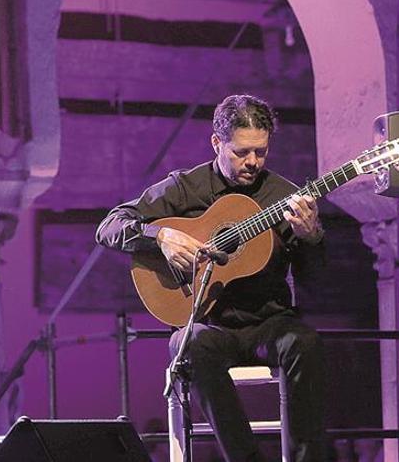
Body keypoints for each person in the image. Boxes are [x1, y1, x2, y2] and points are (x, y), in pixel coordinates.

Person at [96, 95, 326, 461]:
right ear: (217, 143)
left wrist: (312, 237)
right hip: (212, 325)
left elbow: (314, 280)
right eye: (241, 152)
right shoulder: (187, 188)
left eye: (261, 152)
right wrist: (161, 237)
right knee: (189, 344)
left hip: (269, 322)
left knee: (305, 342)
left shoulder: (284, 195)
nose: (252, 162)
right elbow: (110, 226)